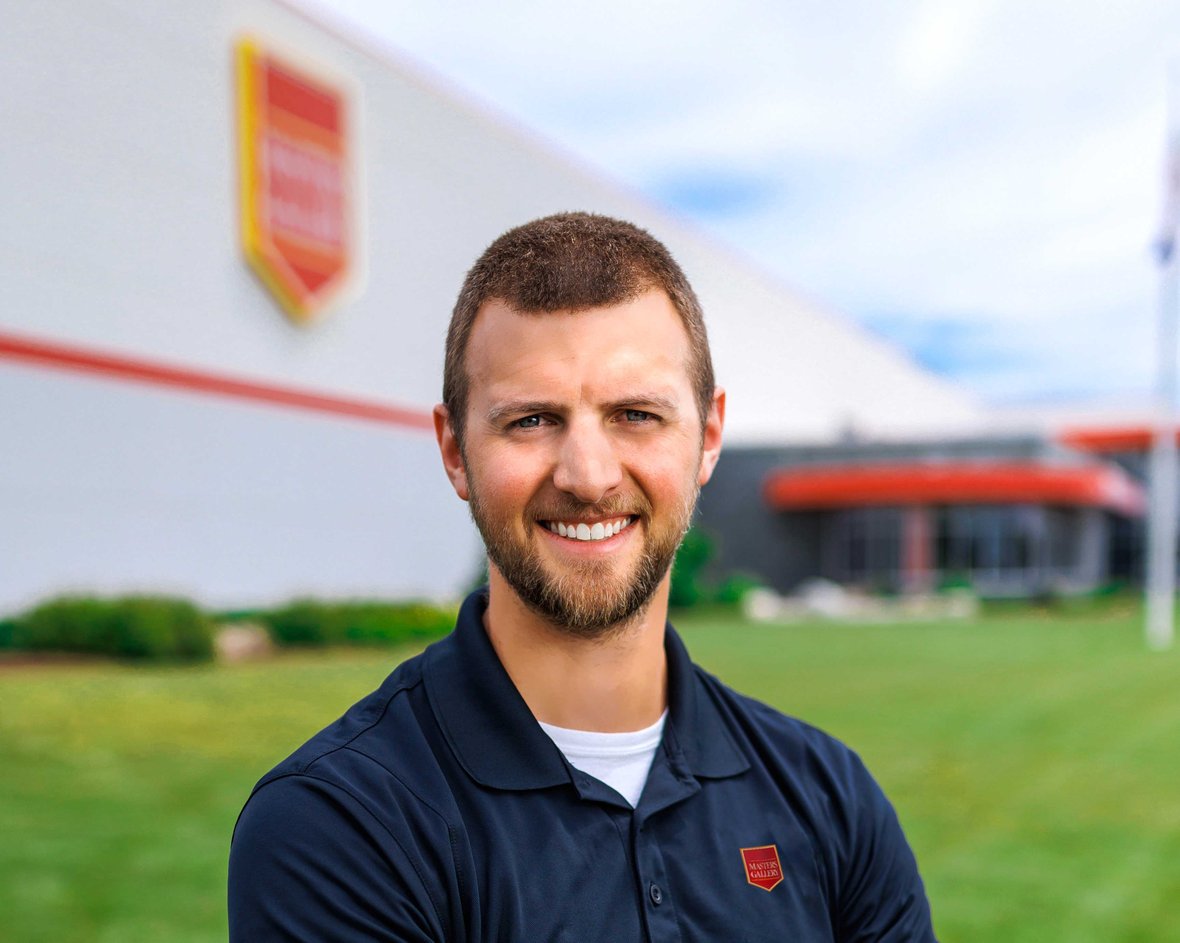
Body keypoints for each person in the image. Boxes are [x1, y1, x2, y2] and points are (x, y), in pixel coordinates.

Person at [228, 212, 937, 941]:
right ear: (454, 450)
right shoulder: (337, 824)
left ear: (709, 438)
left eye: (635, 414)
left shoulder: (830, 799)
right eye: (532, 420)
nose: (589, 476)